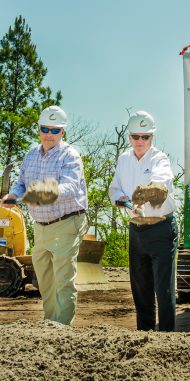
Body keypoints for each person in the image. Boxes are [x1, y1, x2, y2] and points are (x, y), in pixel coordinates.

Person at [1, 105, 88, 325]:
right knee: (45, 280)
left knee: (63, 279)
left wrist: (46, 192)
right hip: (40, 225)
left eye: (55, 130)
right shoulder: (31, 155)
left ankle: (63, 328)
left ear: (63, 132)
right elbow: (21, 183)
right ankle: (51, 324)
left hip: (67, 222)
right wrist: (14, 195)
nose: (49, 134)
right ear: (38, 129)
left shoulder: (70, 156)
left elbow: (70, 188)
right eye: (45, 129)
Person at [109, 111, 179, 332]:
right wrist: (120, 198)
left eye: (145, 137)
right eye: (136, 136)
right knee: (140, 289)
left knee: (164, 288)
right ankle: (145, 335)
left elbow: (161, 182)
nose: (140, 141)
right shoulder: (124, 159)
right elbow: (115, 188)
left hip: (161, 228)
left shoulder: (160, 159)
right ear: (129, 137)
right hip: (136, 230)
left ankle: (168, 336)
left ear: (152, 138)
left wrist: (142, 194)